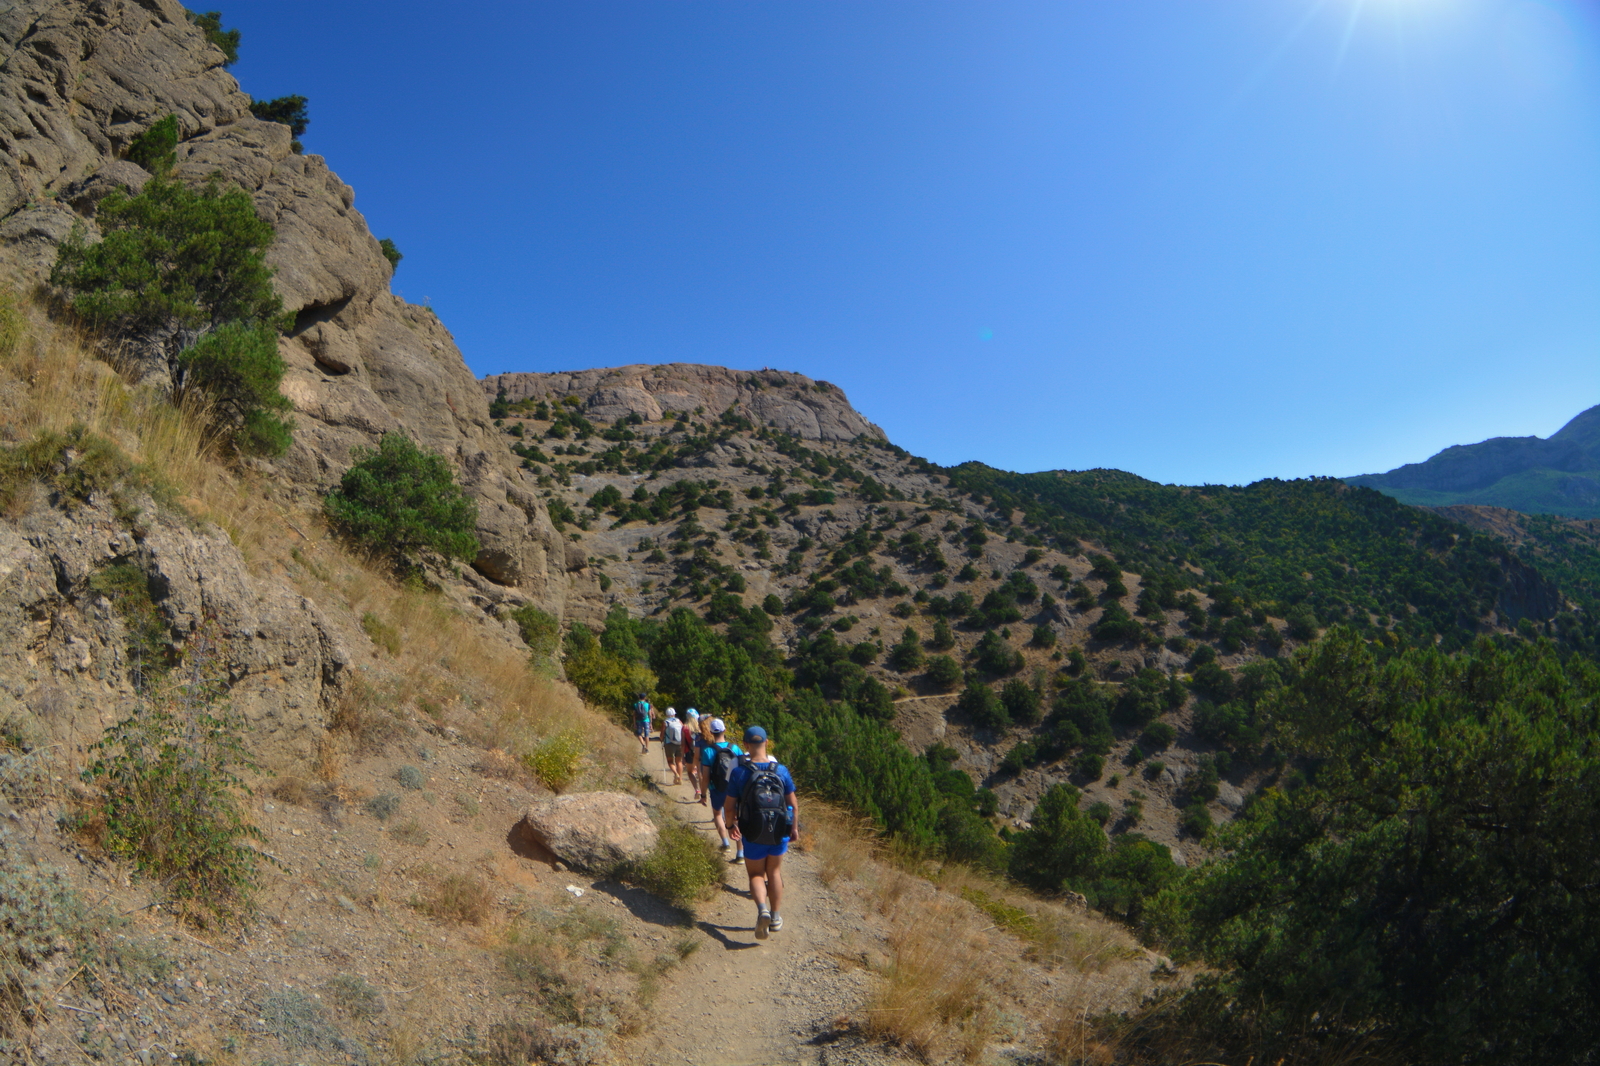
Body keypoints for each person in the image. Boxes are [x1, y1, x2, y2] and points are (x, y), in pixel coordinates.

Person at [725, 725, 797, 940]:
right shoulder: (781, 770)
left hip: (752, 831)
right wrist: (793, 828)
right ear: (766, 743)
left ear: (745, 746)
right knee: (774, 872)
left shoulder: (739, 772)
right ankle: (775, 917)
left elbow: (729, 806)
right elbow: (792, 803)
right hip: (778, 832)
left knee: (756, 874)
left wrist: (731, 826)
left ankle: (762, 911)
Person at [699, 718, 744, 859]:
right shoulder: (735, 748)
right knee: (736, 818)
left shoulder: (707, 751)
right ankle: (740, 854)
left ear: (711, 732)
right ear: (724, 729)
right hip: (734, 788)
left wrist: (703, 794)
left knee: (718, 814)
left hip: (717, 788)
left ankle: (725, 844)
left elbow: (705, 776)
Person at [694, 713, 716, 806]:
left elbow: (697, 755)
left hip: (705, 764)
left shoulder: (699, 738)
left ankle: (705, 798)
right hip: (718, 762)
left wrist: (696, 765)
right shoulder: (716, 735)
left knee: (707, 783)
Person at [683, 709, 703, 800]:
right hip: (701, 753)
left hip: (689, 753)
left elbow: (682, 743)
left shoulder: (685, 727)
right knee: (700, 773)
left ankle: (697, 790)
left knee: (690, 772)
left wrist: (682, 756)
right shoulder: (700, 728)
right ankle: (703, 794)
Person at [661, 707, 684, 785]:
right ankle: (680, 779)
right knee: (679, 761)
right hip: (680, 743)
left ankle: (676, 774)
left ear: (667, 714)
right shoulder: (679, 721)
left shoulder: (665, 722)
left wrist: (661, 739)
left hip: (669, 744)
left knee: (670, 761)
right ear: (674, 714)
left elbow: (662, 735)